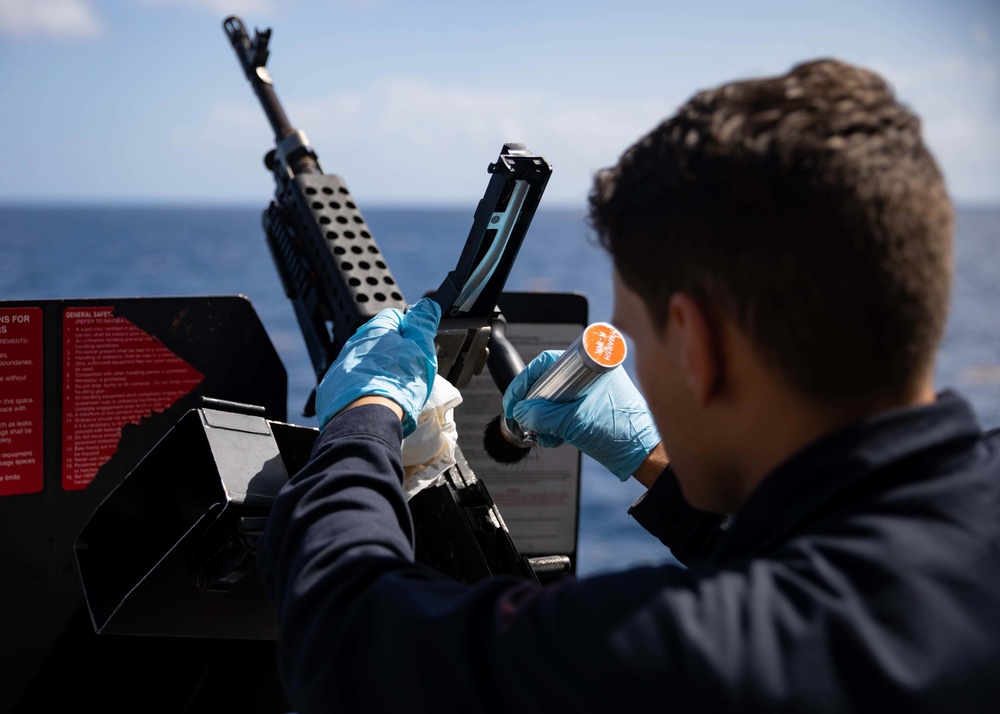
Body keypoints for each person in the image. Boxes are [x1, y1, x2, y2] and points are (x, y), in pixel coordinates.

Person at [256, 59, 1000, 712]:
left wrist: (365, 416)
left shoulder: (682, 655)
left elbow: (346, 637)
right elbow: (838, 568)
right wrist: (653, 462)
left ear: (699, 348)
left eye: (638, 339)